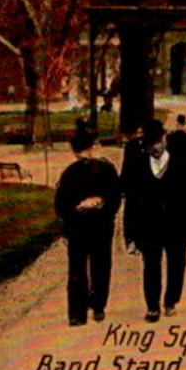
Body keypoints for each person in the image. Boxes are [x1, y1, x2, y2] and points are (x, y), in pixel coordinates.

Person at [122, 118, 186, 322]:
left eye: (158, 142)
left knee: (177, 263)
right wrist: (130, 235)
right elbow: (132, 203)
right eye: (150, 145)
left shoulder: (181, 165)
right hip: (149, 226)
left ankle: (171, 301)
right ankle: (153, 307)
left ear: (164, 139)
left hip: (176, 225)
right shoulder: (139, 167)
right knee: (151, 265)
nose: (155, 148)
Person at [54, 124, 121, 326]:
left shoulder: (69, 173)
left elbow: (60, 204)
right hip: (101, 225)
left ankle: (77, 313)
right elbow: (116, 197)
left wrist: (75, 210)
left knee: (76, 269)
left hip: (78, 227)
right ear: (94, 146)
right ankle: (99, 306)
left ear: (74, 151)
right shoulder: (107, 169)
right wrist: (102, 204)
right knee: (101, 266)